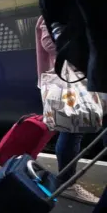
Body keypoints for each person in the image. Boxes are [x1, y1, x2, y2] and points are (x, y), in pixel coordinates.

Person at [35, 16, 99, 204]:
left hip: (85, 77)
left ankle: (66, 180)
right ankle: (66, 182)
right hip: (71, 80)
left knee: (74, 131)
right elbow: (50, 44)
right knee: (72, 131)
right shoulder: (55, 9)